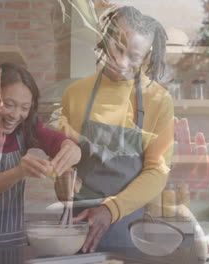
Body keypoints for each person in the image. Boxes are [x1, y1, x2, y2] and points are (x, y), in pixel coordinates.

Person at [56, 6, 175, 253]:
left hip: (128, 228)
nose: (122, 62)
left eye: (134, 56)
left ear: (146, 57)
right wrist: (62, 178)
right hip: (76, 227)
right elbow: (63, 158)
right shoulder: (75, 95)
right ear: (107, 38)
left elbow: (157, 171)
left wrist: (111, 210)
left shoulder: (158, 101)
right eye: (118, 49)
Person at [0, 63, 81, 247]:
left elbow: (54, 140)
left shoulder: (25, 129)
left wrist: (71, 149)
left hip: (12, 243)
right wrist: (20, 171)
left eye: (24, 108)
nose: (16, 115)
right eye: (8, 105)